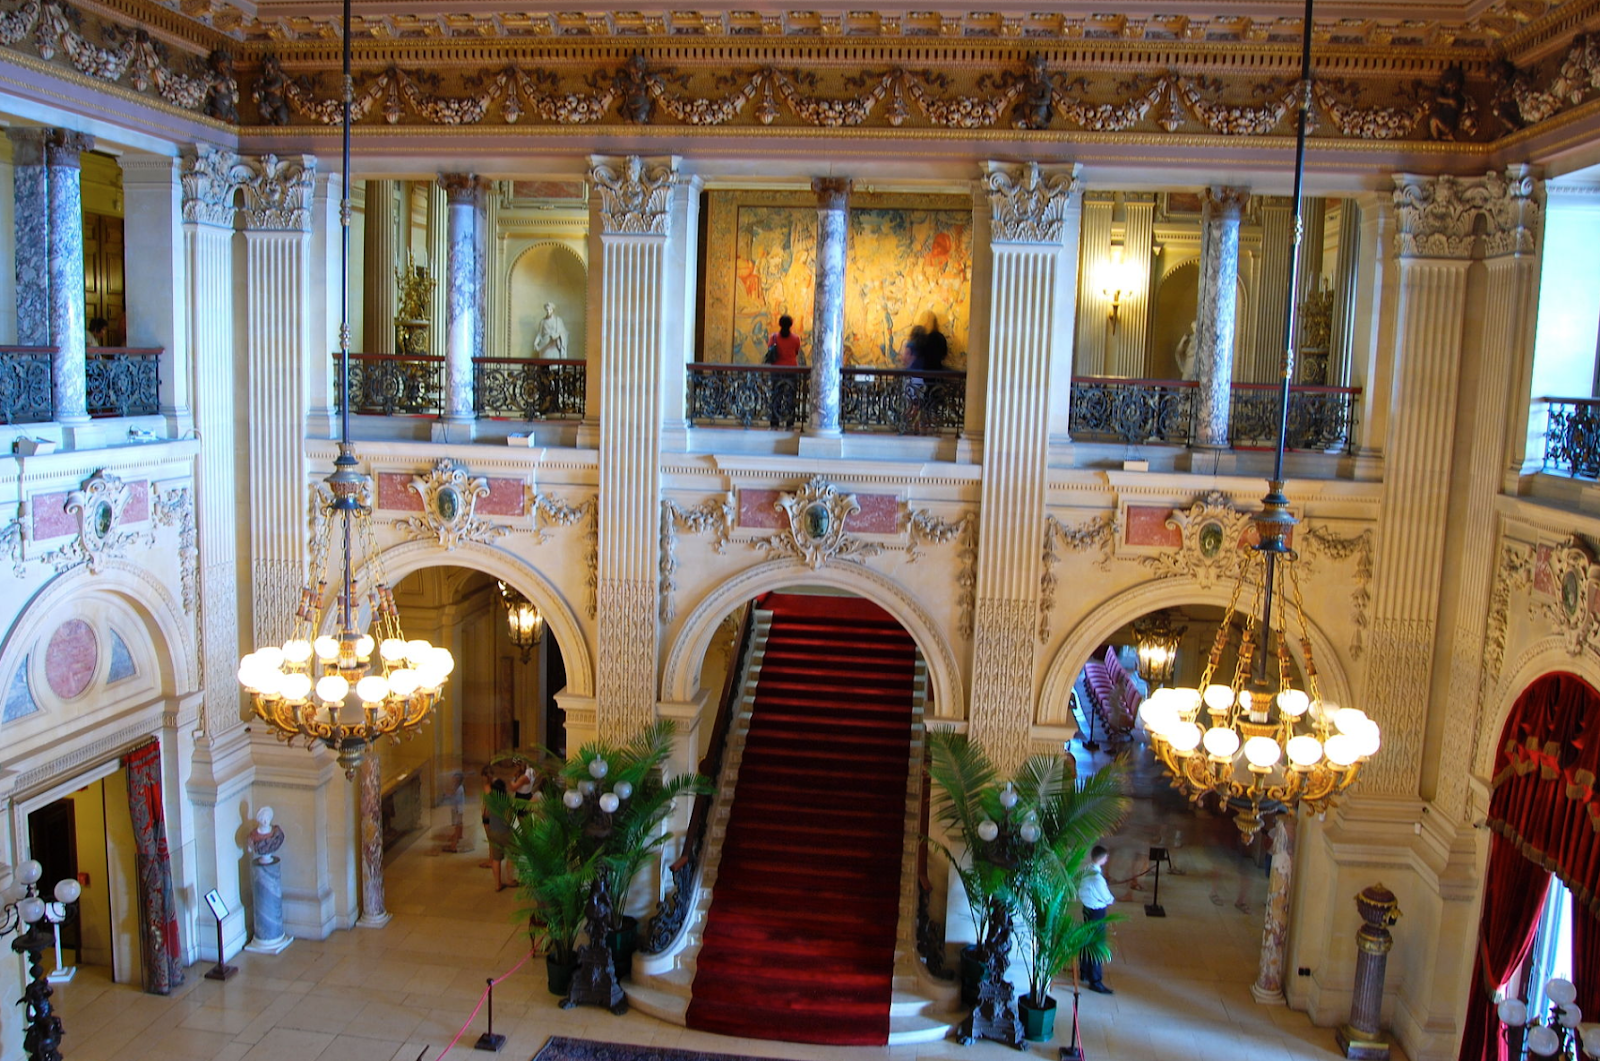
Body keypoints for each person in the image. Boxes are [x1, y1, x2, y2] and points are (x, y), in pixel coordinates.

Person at [1079, 844, 1116, 994]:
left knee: (1087, 941)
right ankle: (1095, 980)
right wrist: (1110, 899)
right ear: (1102, 858)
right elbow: (1108, 898)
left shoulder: (1086, 870)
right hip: (1096, 911)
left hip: (1087, 908)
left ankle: (1085, 972)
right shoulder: (1097, 879)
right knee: (1097, 945)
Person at [767, 314, 803, 429]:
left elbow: (769, 350)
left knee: (776, 395)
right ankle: (789, 423)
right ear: (791, 325)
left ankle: (774, 423)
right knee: (790, 396)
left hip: (776, 370)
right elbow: (796, 352)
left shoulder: (773, 338)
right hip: (791, 370)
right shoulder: (796, 339)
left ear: (780, 324)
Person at [482, 775, 515, 891]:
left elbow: (485, 814)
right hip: (505, 832)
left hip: (493, 831)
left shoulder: (490, 800)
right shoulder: (507, 801)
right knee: (511, 855)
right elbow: (509, 819)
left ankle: (497, 884)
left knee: (496, 859)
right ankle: (510, 879)